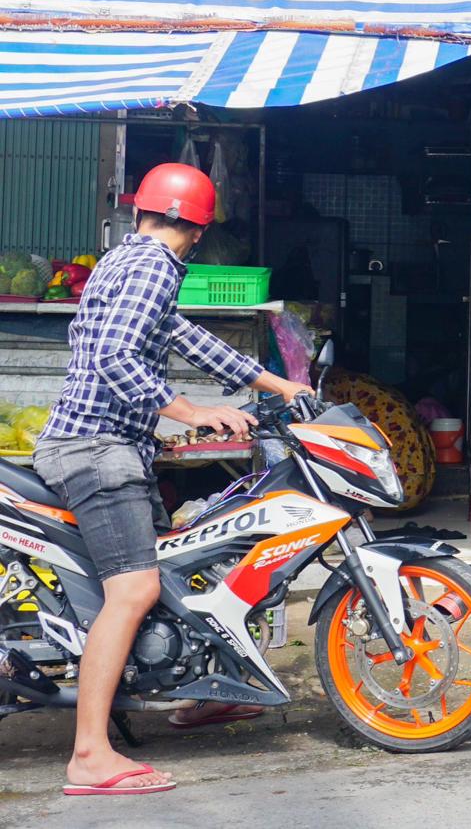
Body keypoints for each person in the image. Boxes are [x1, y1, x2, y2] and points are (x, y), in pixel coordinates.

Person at [34, 163, 313, 796]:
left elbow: (186, 337)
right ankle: (88, 756)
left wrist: (275, 384)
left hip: (106, 446)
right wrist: (194, 411)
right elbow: (113, 356)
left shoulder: (126, 259)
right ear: (195, 229)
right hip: (97, 450)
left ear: (143, 212)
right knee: (131, 590)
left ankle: (197, 695)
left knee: (170, 570)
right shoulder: (153, 267)